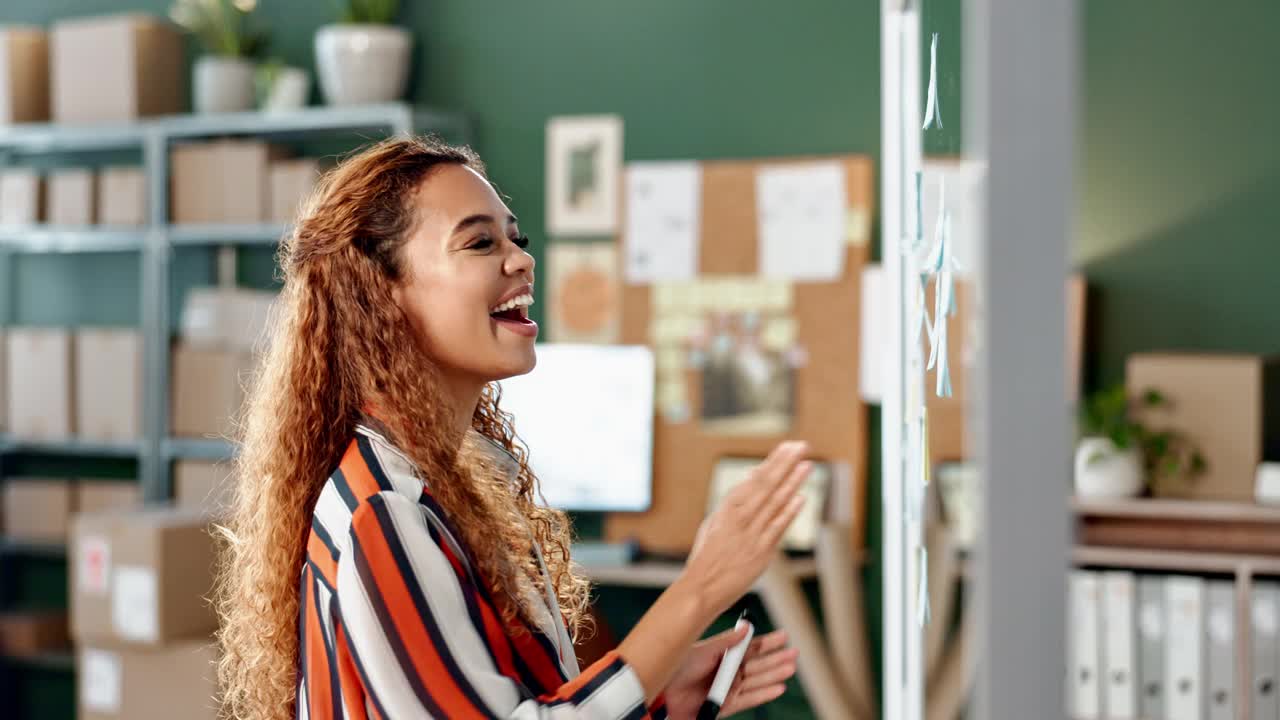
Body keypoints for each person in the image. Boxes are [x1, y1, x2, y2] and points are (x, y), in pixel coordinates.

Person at [214, 136, 812, 720]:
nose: (523, 258)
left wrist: (656, 697)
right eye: (478, 242)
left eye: (515, 238)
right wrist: (700, 589)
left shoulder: (448, 484)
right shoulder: (385, 511)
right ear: (381, 293)